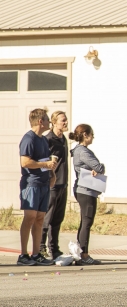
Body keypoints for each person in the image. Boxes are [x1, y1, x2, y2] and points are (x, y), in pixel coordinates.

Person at [18, 108, 56, 266]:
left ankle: (36, 254)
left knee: (40, 219)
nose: (50, 122)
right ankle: (23, 255)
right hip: (31, 184)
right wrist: (44, 164)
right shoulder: (29, 138)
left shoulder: (43, 140)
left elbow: (46, 160)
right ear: (41, 121)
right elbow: (25, 162)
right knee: (30, 217)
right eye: (48, 119)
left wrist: (51, 173)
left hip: (43, 183)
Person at [70, 124, 104, 265]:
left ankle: (80, 252)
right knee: (87, 222)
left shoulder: (79, 151)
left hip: (84, 190)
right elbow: (99, 167)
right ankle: (84, 255)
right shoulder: (83, 151)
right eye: (92, 134)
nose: (93, 137)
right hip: (86, 191)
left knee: (85, 222)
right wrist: (99, 168)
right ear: (85, 135)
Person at [42, 110, 69, 260]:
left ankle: (54, 249)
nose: (65, 123)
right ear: (54, 122)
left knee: (57, 219)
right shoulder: (48, 140)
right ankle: (41, 248)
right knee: (47, 218)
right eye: (62, 120)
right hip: (52, 185)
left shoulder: (63, 139)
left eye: (66, 120)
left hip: (62, 184)